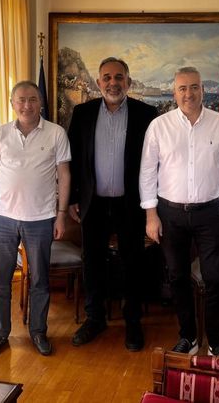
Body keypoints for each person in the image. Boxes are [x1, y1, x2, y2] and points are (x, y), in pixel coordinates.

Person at [139, 66, 219, 357]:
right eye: (182, 88)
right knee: (177, 277)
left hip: (211, 213)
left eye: (194, 87)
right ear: (174, 93)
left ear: (202, 90)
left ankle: (216, 340)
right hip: (170, 214)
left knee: (215, 278)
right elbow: (147, 172)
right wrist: (150, 215)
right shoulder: (159, 126)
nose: (189, 93)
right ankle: (188, 337)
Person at [67, 57, 158, 351]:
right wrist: (72, 199)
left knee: (133, 262)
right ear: (98, 83)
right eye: (107, 77)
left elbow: (156, 162)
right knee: (92, 261)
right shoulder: (82, 113)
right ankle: (95, 318)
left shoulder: (147, 114)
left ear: (128, 82)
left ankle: (133, 321)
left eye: (119, 77)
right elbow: (73, 160)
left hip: (130, 203)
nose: (113, 83)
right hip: (92, 203)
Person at [0, 80, 71, 357]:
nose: (27, 105)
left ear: (40, 102)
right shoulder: (0, 134)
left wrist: (61, 215)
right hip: (3, 218)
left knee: (40, 280)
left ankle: (38, 332)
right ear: (12, 103)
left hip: (40, 218)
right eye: (21, 100)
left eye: (32, 99)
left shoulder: (56, 133)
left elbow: (64, 175)